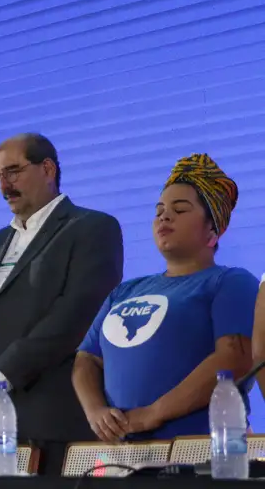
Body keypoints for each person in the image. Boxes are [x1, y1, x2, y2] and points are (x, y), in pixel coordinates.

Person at [0, 133, 123, 474]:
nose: (4, 185)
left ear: (48, 169)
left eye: (13, 171)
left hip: (47, 422)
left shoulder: (92, 228)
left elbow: (76, 316)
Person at [73, 154, 257, 440]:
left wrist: (153, 414)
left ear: (213, 228)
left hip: (200, 451)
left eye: (180, 209)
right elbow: (86, 359)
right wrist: (96, 412)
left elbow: (236, 360)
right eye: (159, 210)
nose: (164, 216)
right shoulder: (124, 291)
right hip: (119, 454)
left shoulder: (230, 281)